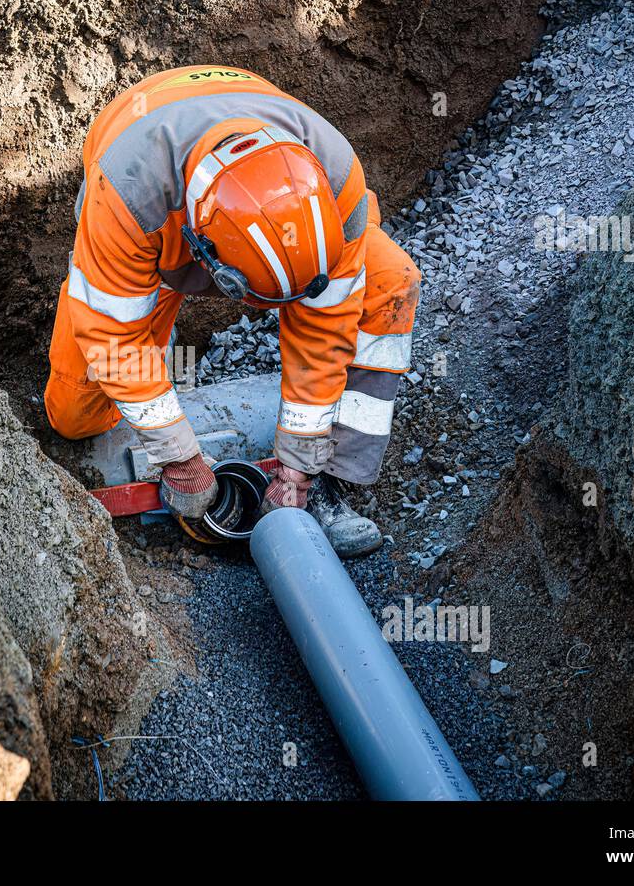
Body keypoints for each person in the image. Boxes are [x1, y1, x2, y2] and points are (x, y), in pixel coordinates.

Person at [44, 66, 420, 557]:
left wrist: (298, 467)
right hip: (145, 146)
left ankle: (334, 478)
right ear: (204, 252)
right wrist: (179, 459)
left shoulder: (337, 178)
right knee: (75, 416)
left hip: (251, 125)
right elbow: (111, 334)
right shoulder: (128, 197)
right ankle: (153, 340)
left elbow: (323, 333)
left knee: (390, 280)